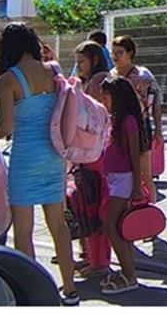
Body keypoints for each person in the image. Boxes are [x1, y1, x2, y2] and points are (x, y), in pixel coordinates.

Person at [0, 22, 78, 305]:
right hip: (53, 155)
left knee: (23, 231)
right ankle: (70, 289)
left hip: (25, 158)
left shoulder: (8, 79)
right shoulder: (53, 70)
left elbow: (6, 128)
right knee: (58, 224)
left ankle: (32, 293)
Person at [58, 40, 112, 276]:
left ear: (95, 60)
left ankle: (99, 262)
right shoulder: (90, 80)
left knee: (92, 204)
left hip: (95, 151)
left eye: (81, 61)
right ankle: (89, 256)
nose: (77, 66)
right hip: (89, 150)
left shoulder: (100, 81)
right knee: (85, 204)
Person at [97, 76, 148, 295]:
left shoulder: (128, 121)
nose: (104, 100)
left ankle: (129, 274)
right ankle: (128, 272)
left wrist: (137, 184)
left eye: (107, 96)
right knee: (119, 228)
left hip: (125, 179)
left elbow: (135, 156)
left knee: (111, 225)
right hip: (114, 179)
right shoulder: (114, 119)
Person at [110, 35, 162, 204]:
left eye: (120, 52)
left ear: (130, 53)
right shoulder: (111, 75)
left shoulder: (143, 75)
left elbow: (156, 102)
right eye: (113, 52)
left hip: (139, 127)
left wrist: (159, 130)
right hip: (118, 128)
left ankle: (152, 209)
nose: (115, 56)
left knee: (144, 172)